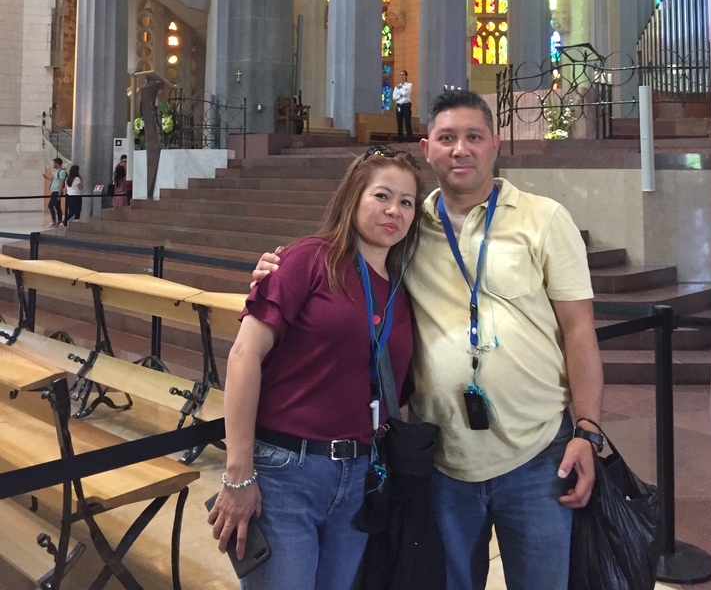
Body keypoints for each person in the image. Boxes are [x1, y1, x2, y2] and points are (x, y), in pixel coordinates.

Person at [254, 89, 604, 590]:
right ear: (426, 149)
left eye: (474, 136)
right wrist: (276, 267)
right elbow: (344, 260)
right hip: (443, 457)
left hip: (538, 453)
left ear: (495, 144)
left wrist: (588, 430)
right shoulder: (408, 226)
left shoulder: (544, 218)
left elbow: (580, 329)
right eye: (447, 138)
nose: (460, 148)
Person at [208, 149, 425, 590]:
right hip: (287, 470)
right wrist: (238, 473)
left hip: (359, 475)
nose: (394, 210)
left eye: (406, 202)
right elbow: (244, 356)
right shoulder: (309, 258)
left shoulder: (401, 291)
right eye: (382, 195)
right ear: (353, 197)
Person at [392, 70, 413, 143]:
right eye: (400, 75)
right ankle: (400, 139)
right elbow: (394, 97)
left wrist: (401, 88)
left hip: (406, 105)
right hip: (399, 105)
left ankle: (409, 138)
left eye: (403, 75)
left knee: (407, 122)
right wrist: (399, 96)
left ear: (406, 76)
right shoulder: (397, 86)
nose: (402, 76)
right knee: (399, 122)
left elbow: (406, 93)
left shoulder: (409, 85)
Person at [47, 157, 67, 228]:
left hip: (57, 191)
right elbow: (55, 180)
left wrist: (59, 193)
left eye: (54, 163)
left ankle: (55, 221)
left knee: (50, 205)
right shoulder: (57, 172)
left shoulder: (62, 172)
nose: (53, 164)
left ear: (57, 164)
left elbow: (61, 183)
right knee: (57, 206)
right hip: (54, 191)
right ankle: (59, 221)